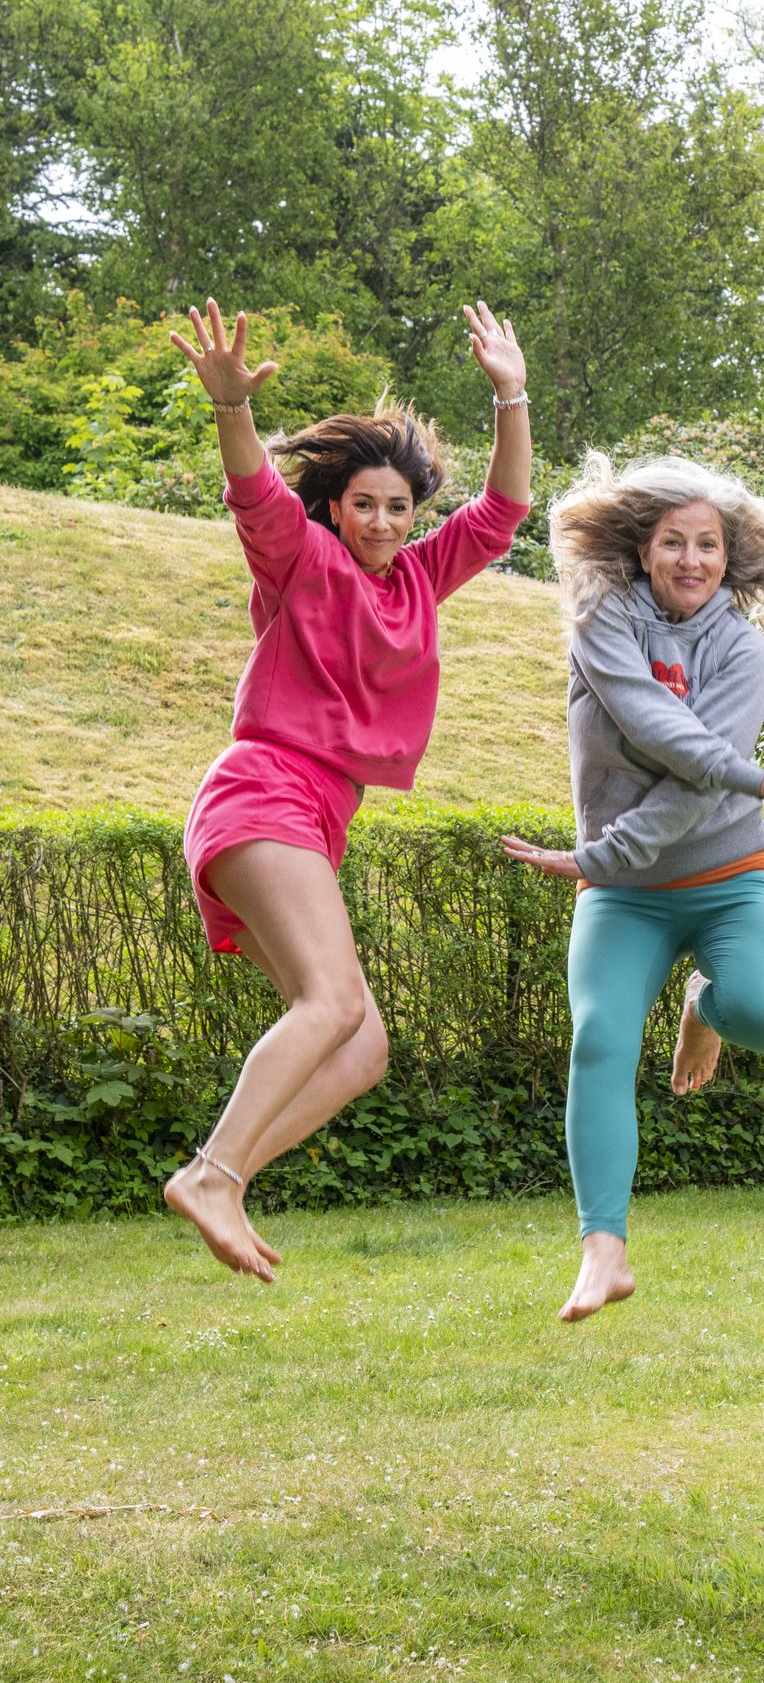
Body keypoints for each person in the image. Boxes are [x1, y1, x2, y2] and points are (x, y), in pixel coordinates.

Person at [163, 296, 532, 1281]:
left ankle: (222, 1174)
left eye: (397, 507)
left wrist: (511, 395)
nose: (380, 520)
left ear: (413, 516)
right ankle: (211, 1174)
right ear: (336, 508)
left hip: (316, 818)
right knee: (330, 1003)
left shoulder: (417, 580)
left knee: (360, 1046)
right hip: (264, 791)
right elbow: (253, 492)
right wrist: (232, 406)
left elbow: (503, 512)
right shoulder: (304, 558)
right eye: (363, 503)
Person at [502, 454, 764, 1320]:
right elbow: (657, 728)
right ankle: (603, 1250)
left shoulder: (738, 645)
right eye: (674, 541)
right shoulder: (602, 619)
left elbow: (701, 783)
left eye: (708, 544)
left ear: (728, 557)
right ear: (643, 549)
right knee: (599, 1038)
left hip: (728, 871)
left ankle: (703, 1003)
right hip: (623, 892)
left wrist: (607, 851)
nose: (692, 559)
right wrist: (750, 779)